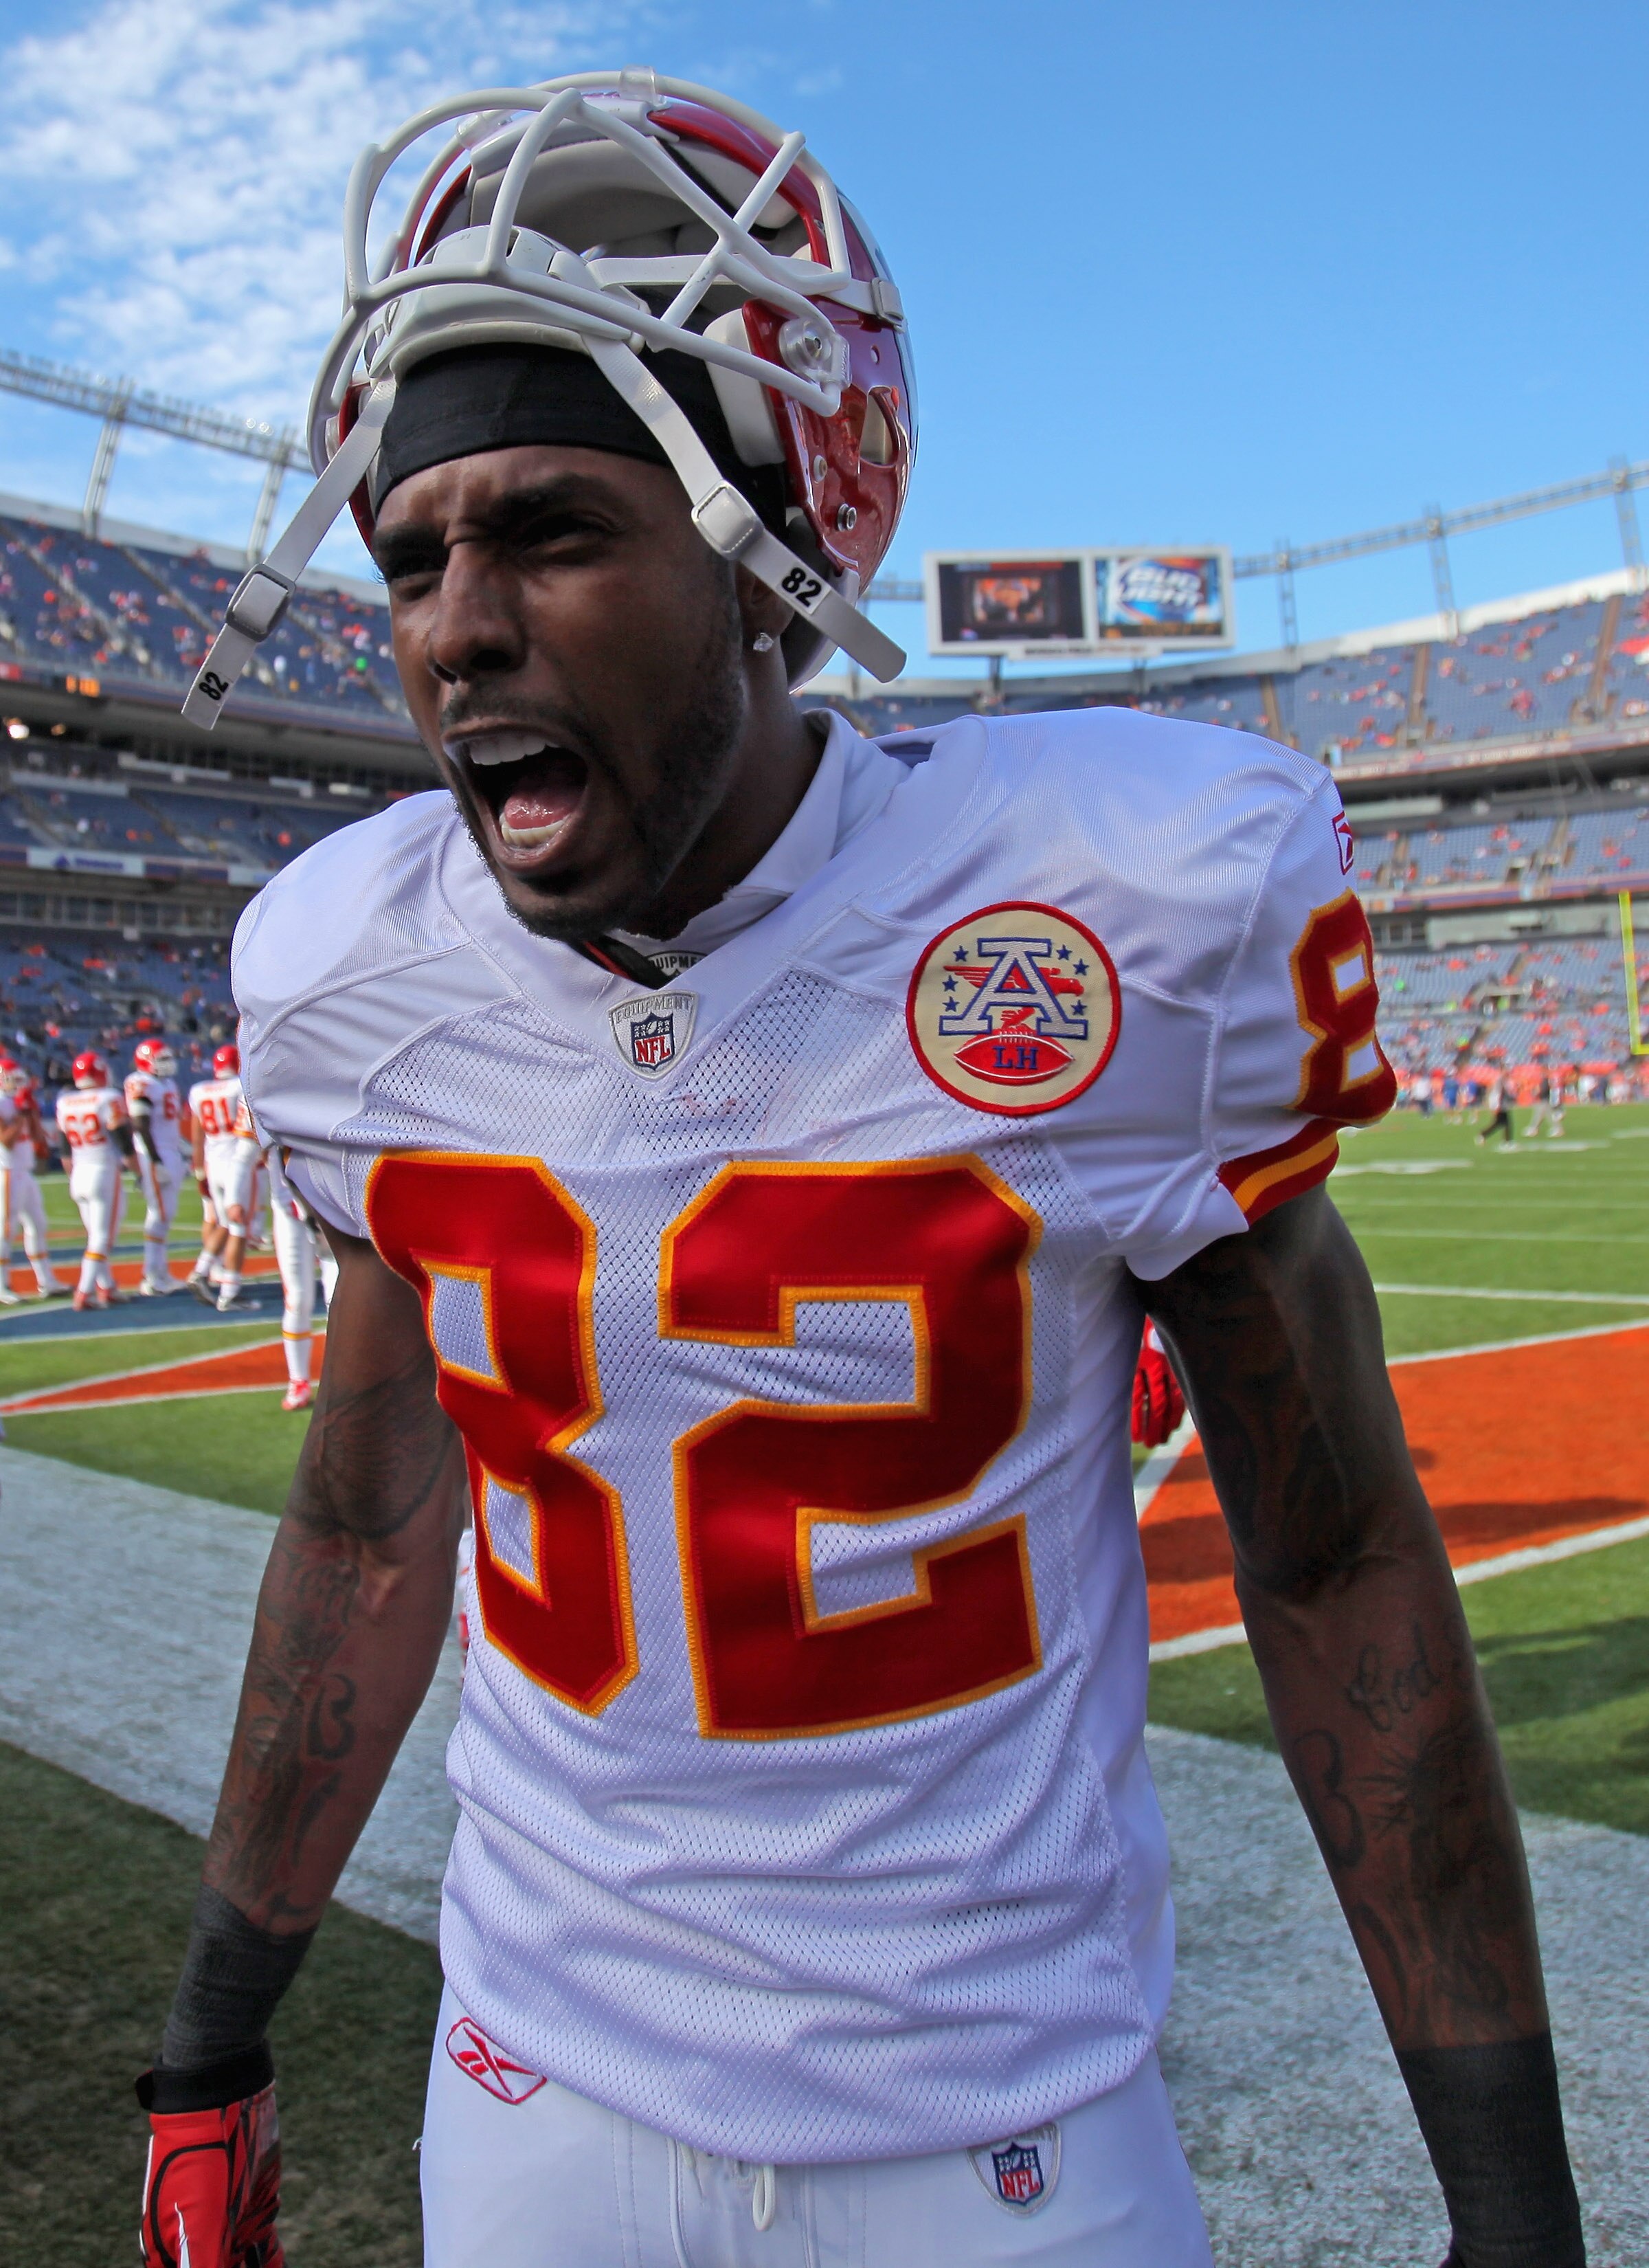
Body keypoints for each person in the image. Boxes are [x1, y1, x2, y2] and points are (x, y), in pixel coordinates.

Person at [139, 69, 1584, 2268]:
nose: (454, 624)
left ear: (768, 571)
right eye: (417, 551)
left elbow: (1333, 1567)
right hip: (533, 2088)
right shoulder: (359, 975)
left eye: (547, 529)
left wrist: (1507, 2202)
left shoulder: (1110, 910)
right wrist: (209, 2039)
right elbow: (359, 1530)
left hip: (995, 2123)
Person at [54, 1049, 132, 1309]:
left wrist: (72, 1177)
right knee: (102, 1238)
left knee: (95, 1237)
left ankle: (106, 1286)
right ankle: (84, 1292)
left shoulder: (65, 1102)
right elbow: (122, 1140)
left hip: (79, 1172)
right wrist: (138, 1170)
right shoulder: (108, 1097)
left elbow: (65, 1150)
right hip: (103, 1171)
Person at [186, 1043, 258, 1312]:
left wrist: (199, 1171)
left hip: (212, 1162)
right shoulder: (240, 1087)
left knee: (225, 1223)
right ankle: (230, 1292)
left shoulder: (199, 1091)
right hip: (235, 1161)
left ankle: (201, 1271)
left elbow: (196, 1138)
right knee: (239, 1227)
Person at [124, 1037, 189, 1294]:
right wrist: (155, 1160)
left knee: (166, 1214)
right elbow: (140, 1123)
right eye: (161, 1059)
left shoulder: (167, 1084)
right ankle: (152, 1276)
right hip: (156, 1154)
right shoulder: (142, 1083)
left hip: (168, 1151)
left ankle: (159, 1272)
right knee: (159, 1215)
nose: (168, 1063)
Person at [265, 1143, 322, 1412]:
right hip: (290, 1212)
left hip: (330, 1207)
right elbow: (245, 1153)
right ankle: (298, 1379)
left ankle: (346, 1378)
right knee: (297, 1299)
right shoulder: (261, 1105)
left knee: (340, 1296)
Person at [0, 1061, 63, 1301]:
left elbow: (38, 1141)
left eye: (19, 1079)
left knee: (38, 1224)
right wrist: (19, 1113)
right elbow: (5, 1140)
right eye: (12, 1079)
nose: (17, 1084)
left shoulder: (19, 1103)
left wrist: (30, 1111)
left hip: (24, 1172)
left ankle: (46, 1281)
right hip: (6, 1170)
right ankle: (1, 1284)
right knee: (6, 1229)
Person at [1475, 1071, 1514, 1147]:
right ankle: (1483, 1135)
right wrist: (1496, 1106)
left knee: (1503, 1123)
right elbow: (1498, 1094)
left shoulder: (1502, 1081)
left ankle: (1507, 1141)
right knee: (1501, 1123)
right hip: (1499, 1105)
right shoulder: (1500, 1081)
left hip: (1500, 1105)